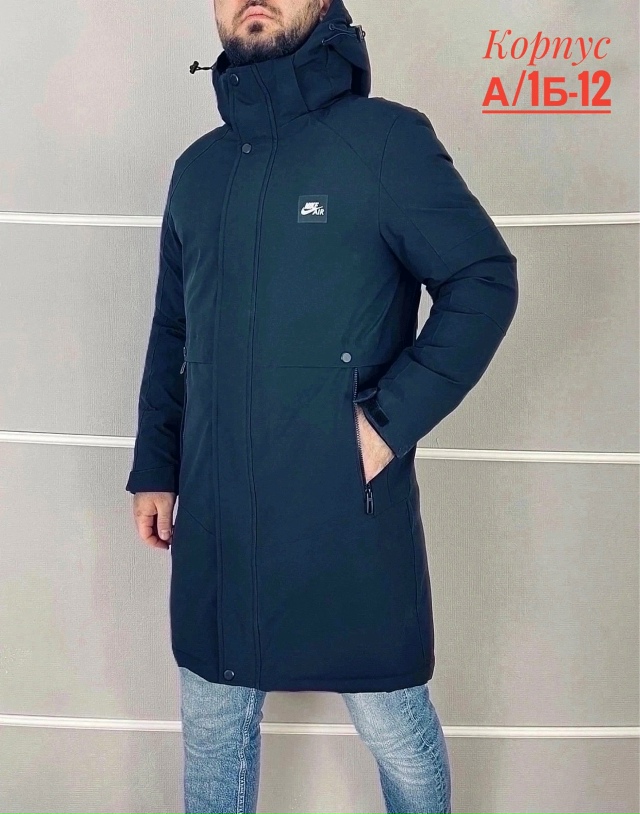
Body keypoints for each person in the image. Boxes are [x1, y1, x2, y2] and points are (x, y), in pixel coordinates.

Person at [126, 0, 519, 811]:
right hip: (217, 511)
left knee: (394, 727)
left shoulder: (385, 141)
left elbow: (482, 280)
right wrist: (157, 465)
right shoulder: (198, 170)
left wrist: (383, 428)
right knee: (213, 726)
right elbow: (174, 330)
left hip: (342, 507)